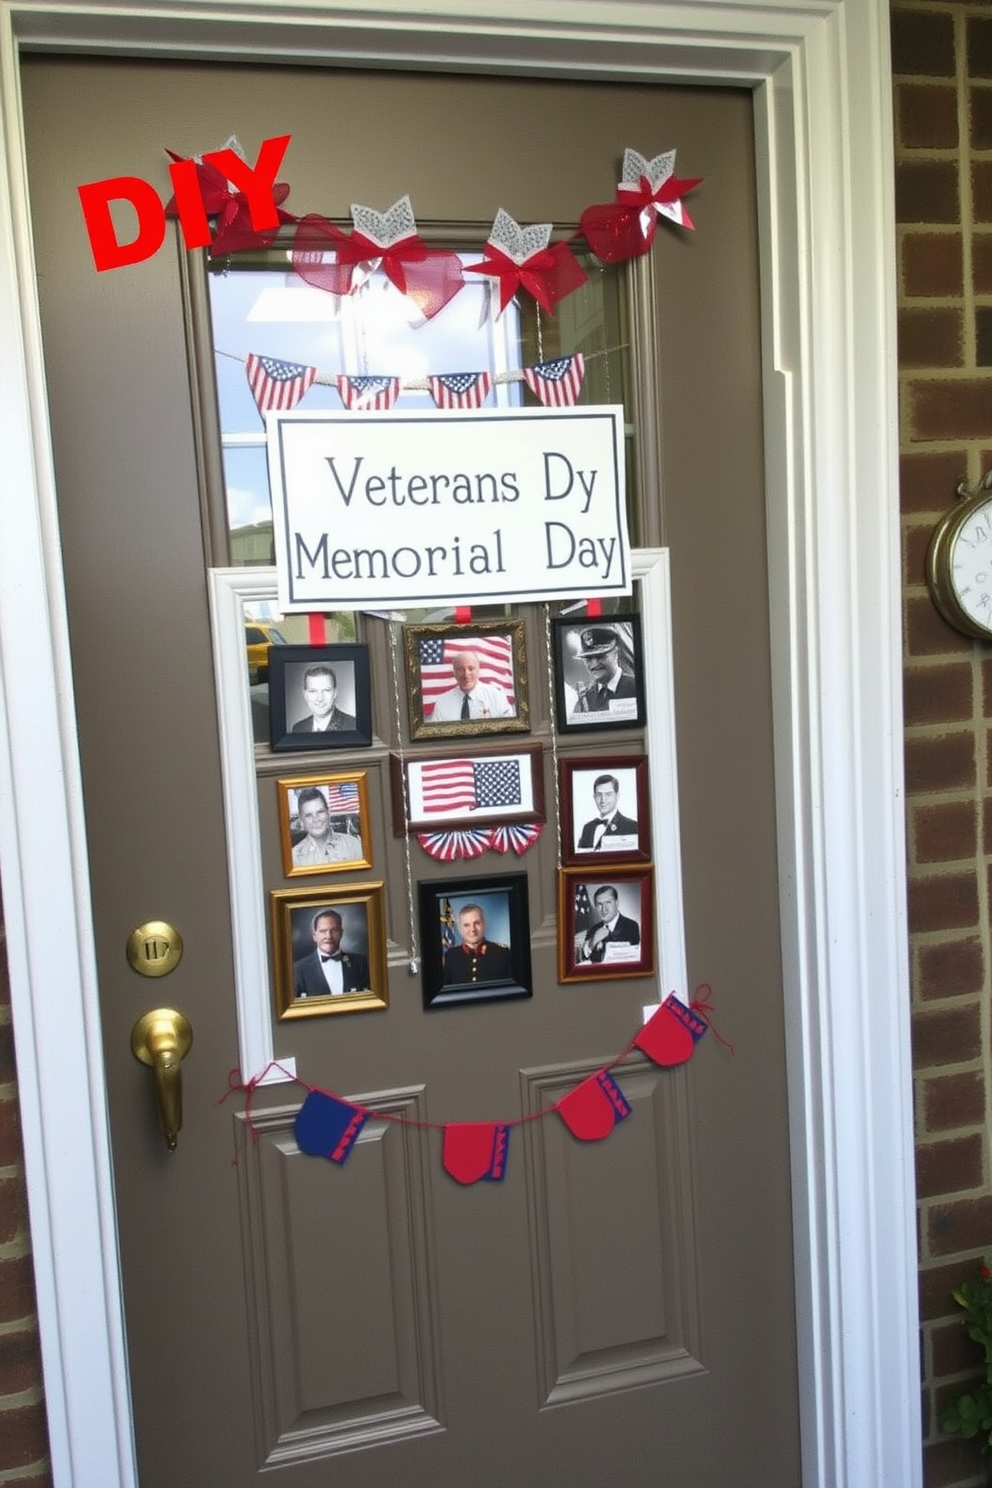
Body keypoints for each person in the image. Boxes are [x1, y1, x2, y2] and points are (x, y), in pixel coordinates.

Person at [293, 909, 370, 997]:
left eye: (334, 930)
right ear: (314, 936)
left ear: (341, 933)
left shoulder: (360, 963)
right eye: (323, 931)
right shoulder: (298, 969)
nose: (328, 936)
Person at [429, 649, 514, 722]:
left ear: (478, 670)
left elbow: (510, 730)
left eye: (471, 668)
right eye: (460, 669)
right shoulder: (442, 703)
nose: (466, 674)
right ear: (454, 673)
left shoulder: (496, 697)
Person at [291, 786, 364, 867]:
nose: (316, 819)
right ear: (301, 821)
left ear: (328, 813)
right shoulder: (293, 858)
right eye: (309, 815)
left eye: (320, 812)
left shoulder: (353, 845)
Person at [571, 626, 637, 714]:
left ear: (616, 653)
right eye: (588, 659)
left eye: (600, 656)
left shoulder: (635, 687)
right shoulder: (586, 697)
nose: (594, 664)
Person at [443, 903, 512, 984]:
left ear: (484, 924)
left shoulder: (502, 953)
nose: (472, 929)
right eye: (466, 925)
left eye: (477, 923)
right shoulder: (451, 956)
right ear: (460, 929)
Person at [579, 884, 640, 964]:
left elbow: (635, 958)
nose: (604, 909)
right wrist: (592, 942)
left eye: (608, 902)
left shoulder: (631, 926)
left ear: (617, 903)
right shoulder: (593, 929)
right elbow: (583, 960)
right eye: (599, 904)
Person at [577, 774, 639, 850]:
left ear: (617, 796)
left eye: (608, 795)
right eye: (599, 795)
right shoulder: (587, 828)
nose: (603, 800)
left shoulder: (632, 827)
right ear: (594, 797)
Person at [291, 664, 356, 733]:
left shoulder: (353, 725)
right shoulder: (298, 728)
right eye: (313, 691)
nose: (320, 699)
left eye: (326, 690)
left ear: (335, 693)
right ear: (305, 695)